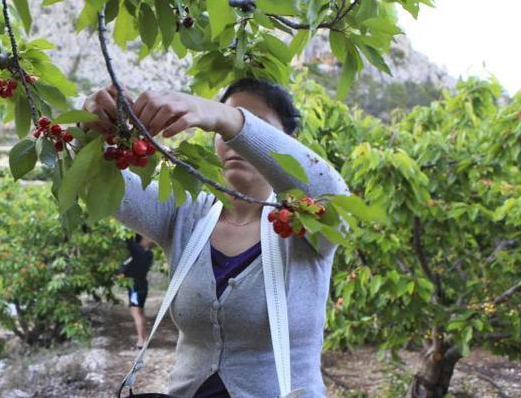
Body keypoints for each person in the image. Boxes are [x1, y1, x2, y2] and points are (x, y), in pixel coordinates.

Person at [80, 78, 350, 398]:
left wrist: (225, 117)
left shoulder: (303, 226)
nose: (234, 141)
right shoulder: (186, 214)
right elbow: (94, 185)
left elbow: (332, 194)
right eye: (224, 132)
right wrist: (87, 127)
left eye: (255, 126)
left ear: (289, 141)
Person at [117, 234, 155, 348]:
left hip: (135, 286)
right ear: (142, 239)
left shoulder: (138, 252)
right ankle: (144, 338)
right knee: (141, 312)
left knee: (136, 312)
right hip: (142, 284)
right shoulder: (148, 253)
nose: (151, 239)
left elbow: (128, 241)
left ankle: (140, 340)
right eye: (148, 237)